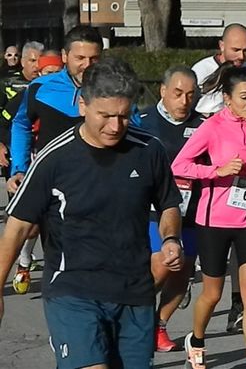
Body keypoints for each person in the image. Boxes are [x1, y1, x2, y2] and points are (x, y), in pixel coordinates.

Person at [0, 57, 184, 368]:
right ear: (82, 105)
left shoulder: (149, 150)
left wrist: (171, 239)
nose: (115, 126)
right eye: (106, 115)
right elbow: (17, 227)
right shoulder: (55, 157)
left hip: (135, 292)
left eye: (124, 116)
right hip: (73, 290)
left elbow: (168, 203)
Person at [172, 63, 246, 369]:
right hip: (214, 221)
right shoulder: (212, 127)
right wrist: (215, 171)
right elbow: (179, 166)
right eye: (244, 97)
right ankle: (195, 340)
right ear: (227, 99)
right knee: (212, 293)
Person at [191, 22, 246, 333]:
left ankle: (239, 304)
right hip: (205, 158)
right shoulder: (202, 69)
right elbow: (187, 111)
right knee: (200, 228)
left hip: (238, 165)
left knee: (239, 237)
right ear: (221, 46)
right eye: (235, 50)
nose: (241, 56)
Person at [139, 65, 204, 352]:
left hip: (192, 210)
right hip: (155, 210)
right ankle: (131, 318)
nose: (184, 101)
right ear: (163, 91)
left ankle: (158, 325)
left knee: (183, 272)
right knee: (162, 266)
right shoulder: (142, 122)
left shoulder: (204, 125)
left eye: (191, 94)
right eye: (177, 93)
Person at [8, 25, 103, 192]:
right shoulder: (40, 87)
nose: (87, 65)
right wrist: (19, 169)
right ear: (65, 56)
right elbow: (21, 124)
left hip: (97, 180)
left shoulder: (113, 89)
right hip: (50, 181)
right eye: (80, 58)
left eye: (94, 58)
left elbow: (134, 130)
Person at [0, 41, 44, 294]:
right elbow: (6, 122)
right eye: (33, 62)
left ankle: (25, 260)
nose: (38, 68)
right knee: (22, 218)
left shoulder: (58, 92)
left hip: (46, 159)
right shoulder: (19, 92)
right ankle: (19, 262)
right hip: (20, 161)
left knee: (38, 221)